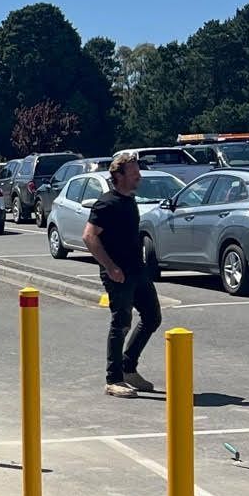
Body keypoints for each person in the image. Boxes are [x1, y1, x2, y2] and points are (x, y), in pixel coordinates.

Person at [83, 151, 162, 397]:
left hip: (138, 270)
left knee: (152, 317)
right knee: (121, 323)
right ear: (119, 175)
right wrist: (110, 266)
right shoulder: (106, 203)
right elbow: (89, 236)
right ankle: (113, 379)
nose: (138, 175)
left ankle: (128, 367)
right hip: (118, 274)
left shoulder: (130, 200)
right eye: (134, 172)